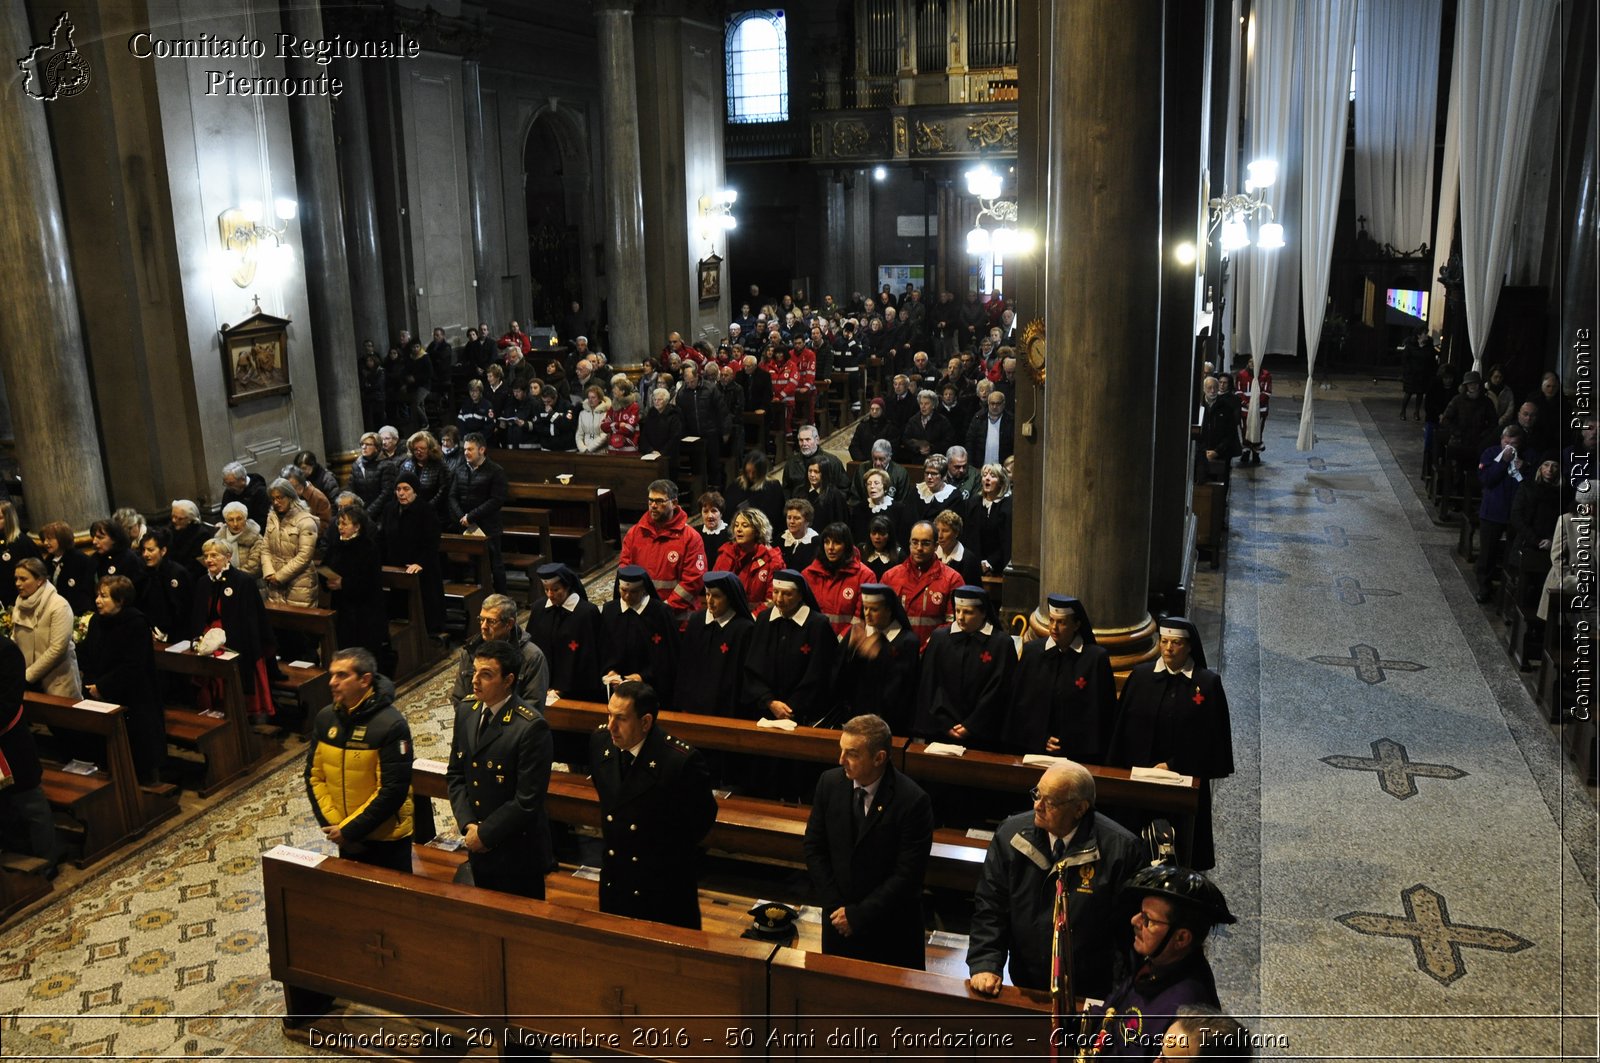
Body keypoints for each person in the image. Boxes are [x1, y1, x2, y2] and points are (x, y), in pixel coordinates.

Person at [967, 762, 1142, 1001]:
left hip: (1091, 990)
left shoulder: (1121, 850)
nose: (1037, 805)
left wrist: (1121, 997)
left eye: (1049, 801)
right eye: (1037, 794)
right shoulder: (1011, 835)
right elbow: (991, 905)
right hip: (1026, 981)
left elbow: (1128, 932)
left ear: (1079, 808)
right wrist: (985, 962)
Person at [803, 713, 934, 968]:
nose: (841, 761)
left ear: (879, 758)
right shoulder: (829, 784)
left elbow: (907, 875)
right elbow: (814, 848)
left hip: (889, 930)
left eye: (852, 754)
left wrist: (858, 916)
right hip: (837, 924)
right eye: (841, 751)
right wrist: (837, 909)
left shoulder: (913, 801)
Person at [590, 679, 718, 928]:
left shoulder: (680, 761)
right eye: (609, 715)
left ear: (646, 722)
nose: (611, 726)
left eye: (621, 718)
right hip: (615, 879)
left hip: (661, 888)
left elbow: (700, 822)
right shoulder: (600, 743)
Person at [1108, 617, 1233, 871]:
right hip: (1141, 775)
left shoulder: (1207, 684)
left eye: (1175, 643)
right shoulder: (1141, 676)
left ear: (1189, 647)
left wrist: (1173, 765)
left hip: (1183, 777)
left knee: (1181, 847)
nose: (1168, 648)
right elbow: (1123, 729)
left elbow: (1211, 740)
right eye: (1164, 641)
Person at [1085, 866, 1236, 1060]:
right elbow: (1112, 1013)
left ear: (1181, 938)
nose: (1134, 921)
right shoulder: (1158, 961)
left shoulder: (1185, 1012)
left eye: (1147, 919)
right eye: (1140, 912)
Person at [446, 639, 554, 897]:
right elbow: (456, 773)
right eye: (474, 672)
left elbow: (527, 800)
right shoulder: (467, 711)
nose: (475, 681)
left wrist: (484, 834)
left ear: (508, 680)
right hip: (476, 842)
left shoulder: (530, 727)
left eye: (486, 675)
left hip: (516, 851)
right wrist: (468, 824)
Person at [305, 648, 414, 872]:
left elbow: (392, 790)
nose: (332, 682)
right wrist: (334, 824)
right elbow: (314, 775)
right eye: (332, 674)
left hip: (386, 840)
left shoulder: (391, 725)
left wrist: (349, 830)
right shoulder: (326, 719)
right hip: (343, 836)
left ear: (365, 680)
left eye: (342, 675)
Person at [1004, 595, 1117, 760]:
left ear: (1077, 625)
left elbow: (1101, 713)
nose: (1054, 627)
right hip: (1034, 749)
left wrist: (1070, 742)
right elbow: (1020, 705)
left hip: (1079, 754)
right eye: (1051, 620)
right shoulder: (1032, 652)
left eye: (1062, 622)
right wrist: (1041, 737)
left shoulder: (1095, 659)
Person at [78, 575, 165, 783]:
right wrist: (91, 684)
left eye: (104, 596)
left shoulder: (136, 623)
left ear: (121, 600)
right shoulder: (97, 621)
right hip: (98, 690)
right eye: (98, 595)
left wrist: (103, 686)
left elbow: (133, 665)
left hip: (133, 695)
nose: (98, 600)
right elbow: (88, 654)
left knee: (138, 746)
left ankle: (141, 780)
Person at [912, 584, 1013, 746]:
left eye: (968, 612)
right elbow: (929, 684)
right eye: (958, 610)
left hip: (983, 734)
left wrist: (972, 725)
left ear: (983, 613)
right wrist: (944, 723)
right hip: (941, 731)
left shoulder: (1001, 644)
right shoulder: (940, 638)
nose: (960, 617)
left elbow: (999, 690)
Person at [189, 539, 278, 721]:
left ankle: (241, 710)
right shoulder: (203, 582)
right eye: (206, 556)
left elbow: (251, 620)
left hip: (237, 637)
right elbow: (198, 615)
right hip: (208, 636)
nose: (209, 560)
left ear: (228, 557)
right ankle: (213, 708)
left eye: (214, 555)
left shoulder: (242, 581)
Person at [742, 569, 838, 725]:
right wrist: (769, 701)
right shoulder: (764, 619)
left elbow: (818, 673)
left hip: (804, 715)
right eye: (776, 592)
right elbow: (752, 667)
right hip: (765, 711)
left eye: (787, 594)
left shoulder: (817, 625)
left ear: (800, 595)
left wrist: (791, 708)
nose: (779, 599)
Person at [0, 636, 60, 871]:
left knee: (30, 805)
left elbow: (7, 703)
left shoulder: (6, 651)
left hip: (11, 744)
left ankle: (47, 863)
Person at [835, 583, 920, 734]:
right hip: (855, 716)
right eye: (865, 608)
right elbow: (838, 677)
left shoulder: (907, 641)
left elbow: (902, 688)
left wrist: (881, 655)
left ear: (889, 610)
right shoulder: (857, 634)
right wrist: (853, 650)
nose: (867, 614)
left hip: (890, 724)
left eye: (874, 609)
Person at [619, 478, 707, 621]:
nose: (653, 505)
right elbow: (624, 568)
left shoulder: (691, 538)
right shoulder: (634, 533)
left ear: (674, 503)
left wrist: (665, 608)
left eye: (659, 501)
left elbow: (693, 581)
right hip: (640, 612)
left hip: (677, 618)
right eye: (650, 500)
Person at [675, 570, 755, 717]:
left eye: (716, 596)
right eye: (707, 594)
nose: (710, 601)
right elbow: (685, 665)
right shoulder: (697, 620)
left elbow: (741, 678)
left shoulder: (744, 629)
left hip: (726, 709)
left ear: (730, 598)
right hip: (692, 705)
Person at [448, 593, 550, 706]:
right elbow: (459, 698)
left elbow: (533, 704)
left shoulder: (532, 657)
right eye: (481, 619)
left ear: (509, 624)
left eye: (491, 621)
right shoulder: (470, 651)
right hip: (476, 719)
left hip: (513, 721)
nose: (483, 626)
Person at [600, 566, 680, 707]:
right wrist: (610, 670)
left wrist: (642, 676)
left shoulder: (661, 613)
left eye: (634, 592)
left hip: (651, 687)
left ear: (644, 589)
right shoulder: (609, 610)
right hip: (616, 685)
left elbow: (668, 656)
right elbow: (603, 647)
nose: (627, 596)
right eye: (623, 591)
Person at [527, 564, 606, 703]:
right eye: (546, 590)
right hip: (543, 686)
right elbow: (532, 648)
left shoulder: (586, 613)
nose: (550, 595)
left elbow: (589, 658)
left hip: (577, 689)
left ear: (567, 587)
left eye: (556, 589)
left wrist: (561, 689)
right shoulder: (539, 608)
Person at [321, 505, 388, 663]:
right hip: (341, 607)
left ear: (357, 526)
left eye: (345, 524)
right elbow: (325, 566)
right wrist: (326, 580)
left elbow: (370, 581)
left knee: (362, 656)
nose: (340, 527)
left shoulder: (368, 548)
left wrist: (344, 584)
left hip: (364, 612)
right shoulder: (336, 545)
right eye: (339, 523)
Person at [384, 471, 446, 637]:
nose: (401, 493)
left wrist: (420, 563)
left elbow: (432, 542)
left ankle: (429, 635)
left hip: (423, 568)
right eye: (398, 489)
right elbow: (384, 536)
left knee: (425, 606)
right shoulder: (390, 509)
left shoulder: (426, 511)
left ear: (415, 491)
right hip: (398, 567)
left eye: (406, 489)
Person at [881, 520, 962, 647]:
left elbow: (955, 624)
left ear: (936, 546)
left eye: (925, 543)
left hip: (934, 652)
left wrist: (930, 647)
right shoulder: (890, 577)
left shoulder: (952, 579)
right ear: (909, 544)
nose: (919, 548)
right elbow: (881, 618)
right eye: (915, 542)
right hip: (897, 651)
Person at [1475, 424, 1531, 603]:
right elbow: (1486, 479)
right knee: (1488, 554)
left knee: (1511, 555)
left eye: (1514, 443)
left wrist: (1526, 468)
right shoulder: (1490, 454)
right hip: (1493, 511)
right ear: (1501, 440)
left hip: (1517, 514)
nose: (1509, 446)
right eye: (1506, 442)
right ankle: (1484, 587)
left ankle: (1507, 592)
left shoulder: (1528, 457)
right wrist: (1503, 462)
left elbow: (1532, 485)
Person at [11, 558, 82, 698]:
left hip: (57, 682)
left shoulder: (59, 605)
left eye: (23, 579)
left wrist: (29, 675)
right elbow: (15, 639)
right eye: (16, 579)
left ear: (40, 580)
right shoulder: (19, 604)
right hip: (26, 683)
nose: (18, 584)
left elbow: (57, 648)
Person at [449, 433, 510, 594]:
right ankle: (480, 596)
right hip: (466, 525)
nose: (466, 453)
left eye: (470, 449)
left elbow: (496, 500)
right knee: (473, 563)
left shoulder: (495, 471)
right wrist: (462, 517)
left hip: (489, 525)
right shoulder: (460, 469)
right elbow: (452, 495)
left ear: (482, 450)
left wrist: (471, 516)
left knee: (495, 564)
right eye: (464, 449)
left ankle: (502, 598)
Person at [802, 522, 874, 638]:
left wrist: (841, 640)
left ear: (846, 545)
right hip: (813, 640)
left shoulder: (865, 576)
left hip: (848, 643)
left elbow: (862, 617)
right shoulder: (809, 574)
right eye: (827, 542)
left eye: (836, 542)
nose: (830, 548)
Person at [136, 528, 193, 641]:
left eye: (150, 550)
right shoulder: (141, 573)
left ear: (163, 551)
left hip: (177, 635)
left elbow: (186, 609)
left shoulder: (177, 573)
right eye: (143, 550)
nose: (145, 554)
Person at [965, 463, 1013, 577]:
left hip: (999, 566)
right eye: (985, 475)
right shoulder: (973, 503)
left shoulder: (1007, 506)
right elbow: (969, 536)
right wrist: (976, 563)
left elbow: (1006, 541)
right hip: (975, 564)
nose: (987, 478)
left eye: (992, 475)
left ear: (1001, 482)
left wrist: (990, 563)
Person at [724, 450, 786, 531]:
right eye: (748, 472)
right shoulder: (736, 485)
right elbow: (728, 512)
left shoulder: (773, 487)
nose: (751, 476)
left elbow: (776, 517)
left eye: (754, 472)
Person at [781, 424, 848, 495]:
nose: (804, 443)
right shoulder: (791, 463)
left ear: (817, 440)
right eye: (801, 440)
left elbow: (844, 488)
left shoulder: (832, 462)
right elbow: (786, 490)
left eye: (807, 439)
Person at [89, 518, 145, 597]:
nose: (94, 541)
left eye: (100, 537)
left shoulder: (128, 558)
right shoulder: (94, 559)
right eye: (93, 537)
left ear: (114, 539)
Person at [0, 500, 39, 609]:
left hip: (25, 600)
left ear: (9, 519)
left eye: (0, 518)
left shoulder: (23, 542)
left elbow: (38, 571)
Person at [932, 508, 984, 585]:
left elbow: (973, 592)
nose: (940, 536)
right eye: (937, 530)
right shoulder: (932, 555)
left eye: (945, 531)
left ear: (956, 533)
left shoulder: (968, 560)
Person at [215, 503, 264, 581]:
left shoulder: (256, 538)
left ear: (245, 519)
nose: (235, 524)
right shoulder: (219, 539)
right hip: (223, 581)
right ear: (225, 521)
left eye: (239, 519)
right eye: (231, 520)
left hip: (250, 583)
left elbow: (254, 568)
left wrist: (230, 575)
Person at [799, 459, 849, 531]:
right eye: (810, 471)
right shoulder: (800, 491)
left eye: (816, 472)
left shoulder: (834, 495)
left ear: (824, 474)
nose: (812, 475)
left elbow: (840, 522)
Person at [221, 461, 270, 531]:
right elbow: (223, 513)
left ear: (243, 480)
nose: (228, 487)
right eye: (226, 484)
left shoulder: (260, 492)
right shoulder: (229, 491)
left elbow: (262, 520)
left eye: (231, 483)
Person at [166, 499, 209, 578]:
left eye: (180, 518)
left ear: (190, 519)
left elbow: (196, 566)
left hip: (189, 576)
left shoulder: (201, 534)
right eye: (173, 516)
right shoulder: (171, 528)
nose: (174, 520)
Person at [779, 498, 820, 571]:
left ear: (807, 521)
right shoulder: (780, 538)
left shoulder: (816, 542)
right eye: (789, 518)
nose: (791, 521)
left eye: (797, 518)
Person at [603, 378, 642, 454]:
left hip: (629, 449)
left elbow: (629, 429)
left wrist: (612, 426)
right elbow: (603, 426)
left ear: (622, 391)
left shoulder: (634, 406)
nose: (613, 390)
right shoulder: (613, 406)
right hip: (612, 449)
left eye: (615, 389)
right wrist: (618, 424)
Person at [849, 397, 894, 462]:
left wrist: (879, 460)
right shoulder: (862, 426)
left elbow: (892, 448)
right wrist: (863, 461)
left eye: (877, 409)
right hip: (863, 462)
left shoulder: (890, 428)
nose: (874, 411)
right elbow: (854, 446)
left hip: (882, 463)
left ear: (882, 410)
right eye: (872, 409)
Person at [576, 382, 611, 454]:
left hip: (600, 451)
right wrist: (583, 449)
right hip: (584, 451)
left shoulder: (606, 413)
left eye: (593, 397)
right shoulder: (582, 413)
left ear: (599, 398)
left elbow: (604, 435)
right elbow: (579, 434)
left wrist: (590, 449)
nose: (590, 400)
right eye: (589, 397)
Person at [696, 491, 731, 559]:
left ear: (721, 513)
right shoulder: (695, 533)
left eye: (714, 511)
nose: (710, 516)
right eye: (705, 511)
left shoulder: (730, 533)